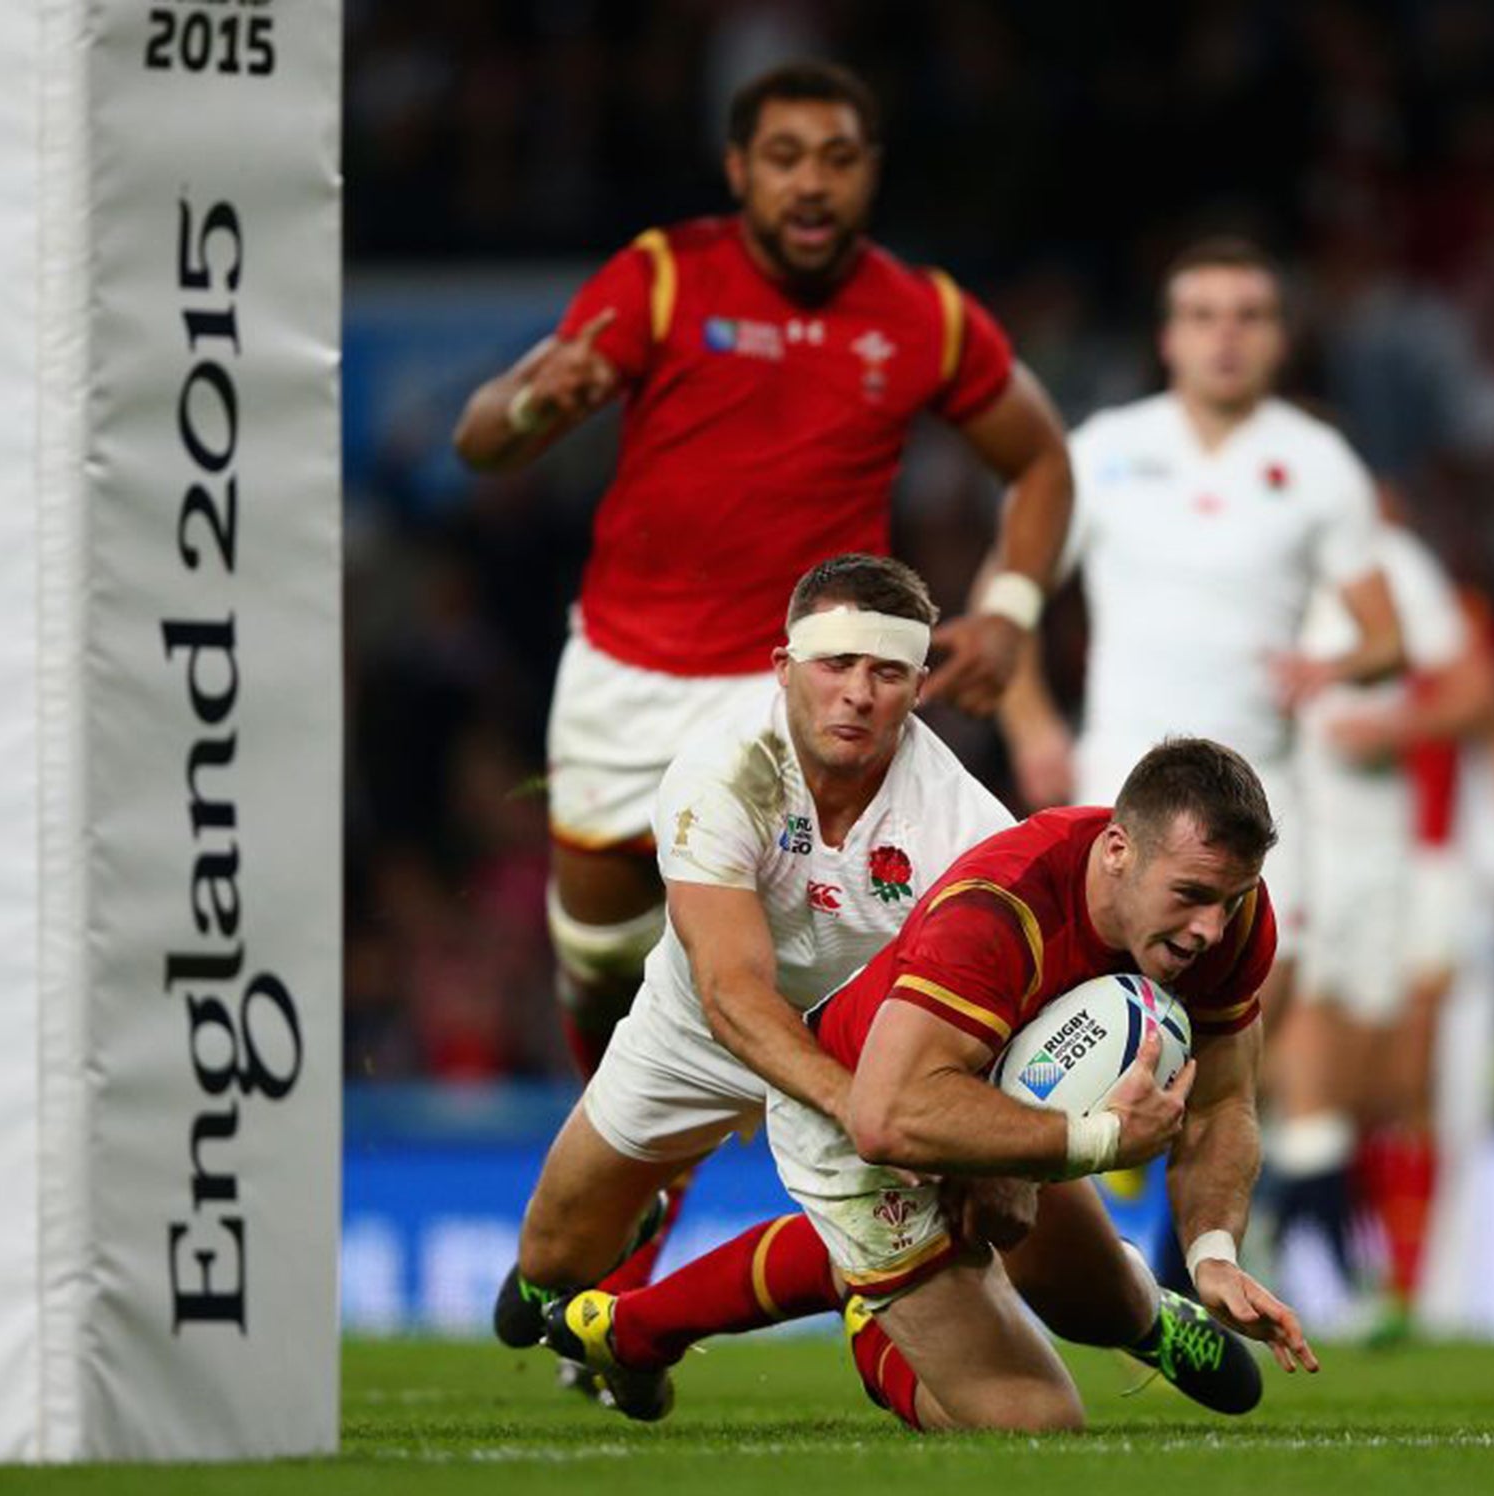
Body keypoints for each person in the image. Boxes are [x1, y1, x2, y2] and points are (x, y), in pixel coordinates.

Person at [452, 62, 1072, 1152]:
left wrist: (1010, 609)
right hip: (624, 672)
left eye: (837, 158)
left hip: (804, 677)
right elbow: (482, 438)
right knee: (597, 960)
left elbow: (1039, 462)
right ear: (739, 169)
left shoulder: (921, 316)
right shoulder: (657, 278)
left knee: (813, 952)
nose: (811, 184)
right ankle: (634, 1141)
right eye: (784, 158)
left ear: (870, 171)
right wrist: (527, 408)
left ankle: (897, 1164)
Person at [547, 739, 1319, 1432]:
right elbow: (886, 1118)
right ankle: (833, 1302)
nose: (1209, 930)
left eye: (1230, 898)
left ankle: (1148, 1310)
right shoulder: (996, 911)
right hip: (866, 1118)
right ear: (1118, 851)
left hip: (1001, 1092)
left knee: (1091, 1304)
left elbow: (1221, 1103)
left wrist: (1212, 1253)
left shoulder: (1231, 917)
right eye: (1190, 896)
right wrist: (1096, 1142)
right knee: (1035, 1424)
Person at [493, 554, 1016, 1408]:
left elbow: (997, 1004)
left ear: (919, 688)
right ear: (784, 670)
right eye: (835, 664)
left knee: (941, 1247)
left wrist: (975, 1141)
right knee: (550, 1262)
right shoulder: (717, 772)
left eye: (886, 672)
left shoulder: (970, 829)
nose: (858, 693)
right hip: (700, 1029)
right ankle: (640, 1222)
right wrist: (860, 1109)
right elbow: (732, 995)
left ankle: (655, 1329)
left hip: (871, 1046)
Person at [997, 235, 1402, 1289]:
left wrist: (1333, 664)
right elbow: (1012, 589)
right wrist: (1032, 720)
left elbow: (1384, 634)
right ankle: (1078, 1233)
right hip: (1118, 794)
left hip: (1260, 804)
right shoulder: (1102, 450)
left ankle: (1182, 1265)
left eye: (1248, 315)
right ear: (1168, 336)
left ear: (1277, 337)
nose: (1226, 335)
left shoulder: (1314, 462)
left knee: (1243, 1018)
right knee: (1084, 1012)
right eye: (1204, 314)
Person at [1283, 518, 1494, 1334]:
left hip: (1434, 863)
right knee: (1345, 1071)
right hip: (1339, 858)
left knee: (1409, 1084)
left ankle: (1399, 1275)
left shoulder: (1445, 615)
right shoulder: (1291, 604)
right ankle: (1334, 1242)